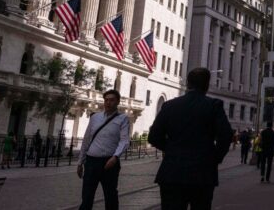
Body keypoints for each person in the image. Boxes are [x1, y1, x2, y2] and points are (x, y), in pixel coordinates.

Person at [149, 68, 233, 210]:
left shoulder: (169, 106)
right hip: (202, 173)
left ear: (188, 83)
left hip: (172, 172)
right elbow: (226, 135)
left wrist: (171, 149)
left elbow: (154, 136)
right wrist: (215, 158)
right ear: (207, 85)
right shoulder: (214, 106)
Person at [77, 90, 130, 210]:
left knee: (110, 195)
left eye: (112, 100)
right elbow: (86, 140)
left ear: (117, 102)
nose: (108, 103)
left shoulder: (123, 119)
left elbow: (124, 140)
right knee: (87, 196)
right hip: (91, 162)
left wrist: (115, 157)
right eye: (106, 100)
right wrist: (80, 162)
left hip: (109, 163)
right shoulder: (95, 117)